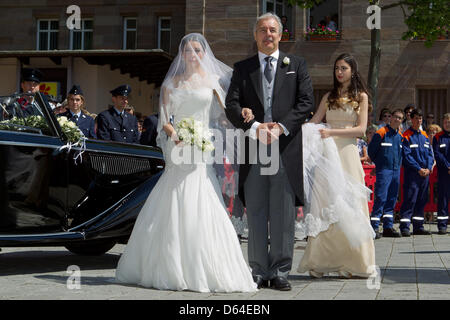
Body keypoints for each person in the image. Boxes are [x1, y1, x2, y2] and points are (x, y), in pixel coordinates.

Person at [115, 33, 257, 293]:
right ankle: (169, 265)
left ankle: (204, 265)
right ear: (182, 54)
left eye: (197, 50)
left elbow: (229, 111)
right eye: (188, 51)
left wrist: (245, 111)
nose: (192, 55)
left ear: (204, 54)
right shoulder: (172, 83)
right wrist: (175, 134)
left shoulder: (213, 81)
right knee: (172, 197)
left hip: (201, 147)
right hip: (178, 147)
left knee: (203, 196)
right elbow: (165, 119)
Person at [225, 12, 314, 290]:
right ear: (255, 35)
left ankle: (280, 270)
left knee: (283, 212)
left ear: (280, 34)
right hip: (254, 150)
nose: (268, 34)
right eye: (263, 30)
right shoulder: (242, 68)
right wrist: (253, 127)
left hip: (285, 149)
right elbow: (232, 105)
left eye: (273, 29)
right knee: (257, 209)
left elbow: (306, 102)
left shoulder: (296, 65)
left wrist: (281, 128)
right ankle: (258, 270)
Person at [297, 53, 376, 279]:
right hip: (328, 157)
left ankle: (356, 263)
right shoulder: (328, 97)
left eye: (343, 68)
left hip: (349, 154)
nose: (339, 72)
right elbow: (313, 122)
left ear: (353, 70)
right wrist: (291, 128)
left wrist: (331, 131)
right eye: (336, 68)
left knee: (351, 205)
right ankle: (320, 261)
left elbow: (361, 130)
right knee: (326, 204)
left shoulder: (361, 97)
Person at [368, 109, 404, 239]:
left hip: (395, 171)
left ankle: (388, 227)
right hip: (384, 170)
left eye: (400, 118)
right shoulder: (381, 132)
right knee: (381, 198)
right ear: (391, 118)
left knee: (392, 198)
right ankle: (374, 227)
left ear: (402, 121)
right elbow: (371, 151)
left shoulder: (400, 135)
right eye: (395, 117)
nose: (397, 120)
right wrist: (379, 164)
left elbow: (401, 154)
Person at [399, 109, 435, 236]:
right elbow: (407, 156)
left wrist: (429, 167)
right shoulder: (406, 136)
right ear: (411, 120)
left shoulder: (424, 135)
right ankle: (404, 227)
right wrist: (418, 169)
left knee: (421, 200)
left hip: (424, 174)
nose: (418, 120)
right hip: (413, 174)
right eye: (416, 118)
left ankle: (418, 227)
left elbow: (430, 154)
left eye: (420, 118)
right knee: (410, 199)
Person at [433, 113, 449, 234]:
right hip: (444, 173)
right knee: (442, 199)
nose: (447, 123)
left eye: (449, 121)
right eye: (445, 122)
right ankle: (442, 225)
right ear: (442, 123)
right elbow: (437, 154)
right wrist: (448, 166)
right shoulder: (437, 137)